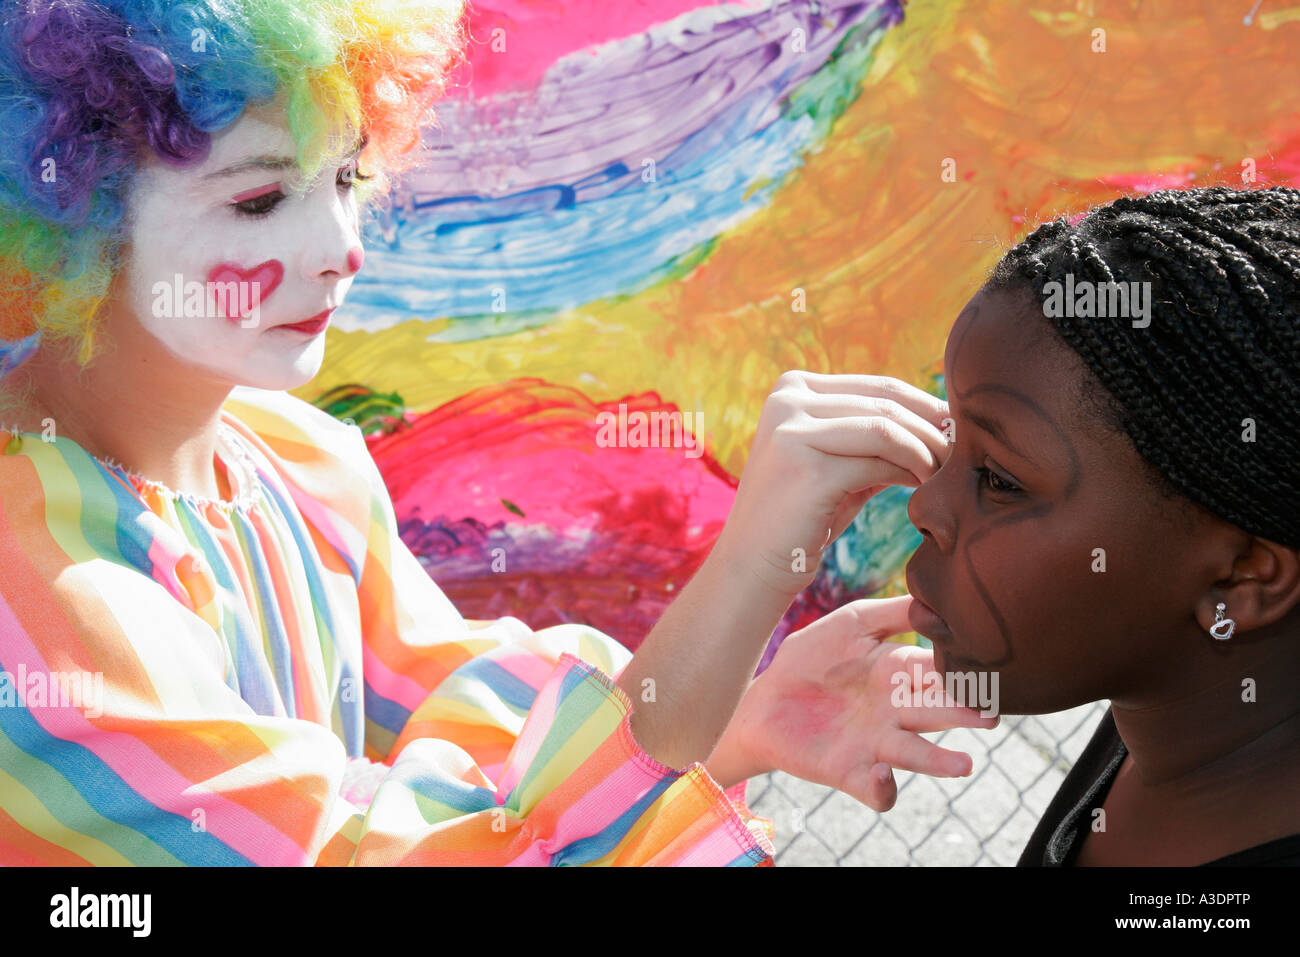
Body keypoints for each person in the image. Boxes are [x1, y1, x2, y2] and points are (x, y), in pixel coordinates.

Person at [0, 0, 991, 865]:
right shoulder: (31, 586)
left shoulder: (303, 464)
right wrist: (750, 564)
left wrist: (731, 715)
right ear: (62, 216)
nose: (338, 249)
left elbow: (472, 716)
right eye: (259, 200)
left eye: (345, 179)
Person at [903, 185, 1300, 865]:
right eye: (951, 434)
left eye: (998, 477)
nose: (923, 506)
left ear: (1240, 578)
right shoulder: (1175, 721)